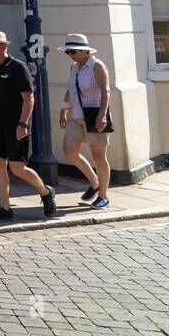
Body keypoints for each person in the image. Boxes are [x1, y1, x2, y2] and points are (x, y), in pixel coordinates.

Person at [0, 31, 56, 220]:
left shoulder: (18, 68)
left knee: (18, 167)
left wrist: (23, 124)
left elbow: (29, 98)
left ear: (3, 47)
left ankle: (45, 192)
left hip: (14, 124)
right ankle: (5, 207)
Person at [59, 33, 112, 209]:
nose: (70, 55)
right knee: (69, 152)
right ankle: (94, 182)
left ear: (84, 50)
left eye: (72, 51)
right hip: (76, 115)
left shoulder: (97, 65)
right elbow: (70, 90)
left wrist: (102, 115)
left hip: (94, 115)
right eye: (68, 52)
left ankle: (103, 196)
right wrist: (63, 111)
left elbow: (106, 91)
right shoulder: (73, 67)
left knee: (99, 157)